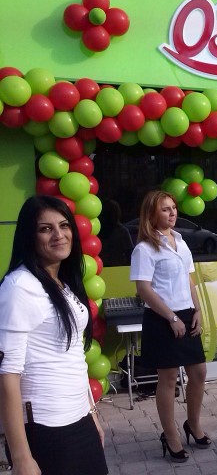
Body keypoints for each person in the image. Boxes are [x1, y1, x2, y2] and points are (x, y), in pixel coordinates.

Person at [0, 195, 108, 475]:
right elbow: (7, 375)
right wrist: (21, 457)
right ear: (29, 237)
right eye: (45, 229)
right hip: (46, 429)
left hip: (79, 419)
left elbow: (74, 356)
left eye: (64, 225)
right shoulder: (19, 287)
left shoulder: (62, 282)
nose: (59, 235)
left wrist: (92, 414)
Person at [129, 190, 210, 463]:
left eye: (173, 207)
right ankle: (171, 435)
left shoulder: (181, 243)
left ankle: (193, 424)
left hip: (187, 314)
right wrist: (171, 318)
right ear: (152, 214)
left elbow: (189, 280)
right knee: (169, 378)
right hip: (162, 317)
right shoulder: (144, 248)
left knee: (199, 372)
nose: (172, 212)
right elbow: (144, 289)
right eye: (165, 209)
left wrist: (197, 309)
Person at [98, 199, 134, 267]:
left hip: (110, 267)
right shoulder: (122, 231)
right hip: (116, 267)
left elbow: (130, 254)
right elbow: (130, 253)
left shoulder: (122, 231)